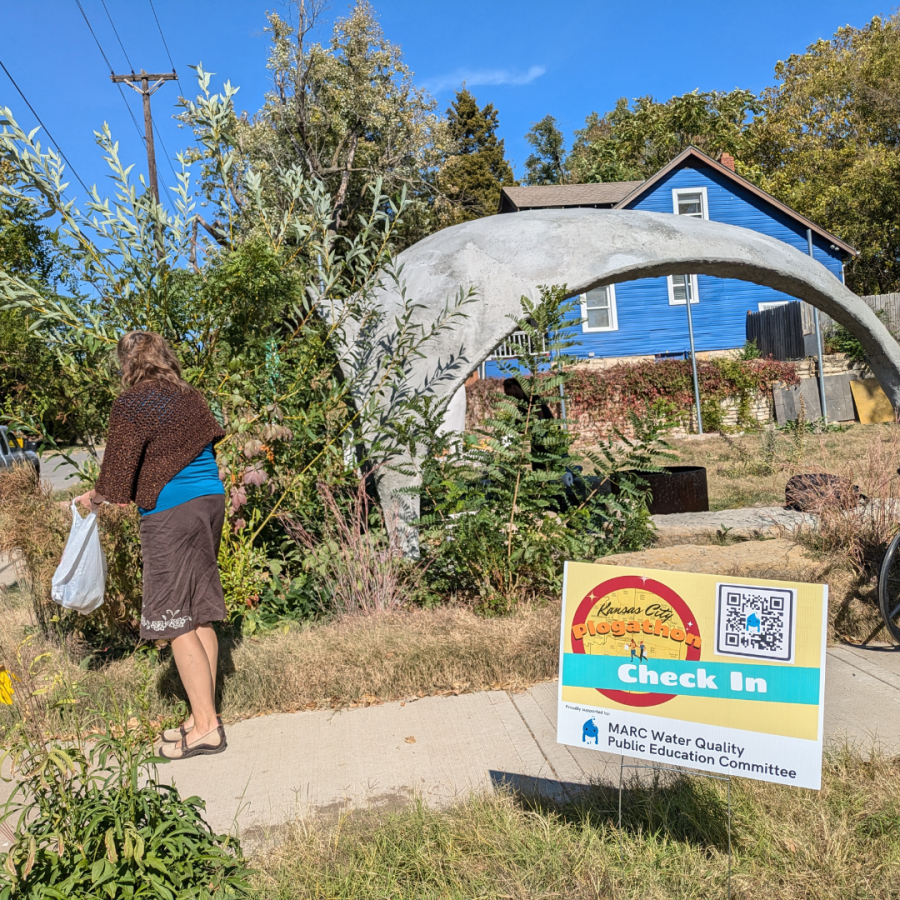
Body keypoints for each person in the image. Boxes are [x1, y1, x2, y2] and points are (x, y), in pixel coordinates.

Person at [77, 331, 228, 761]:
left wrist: (92, 499)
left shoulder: (133, 402)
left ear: (127, 364)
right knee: (199, 611)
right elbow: (206, 441)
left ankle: (205, 728)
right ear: (164, 357)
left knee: (175, 618)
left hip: (171, 511)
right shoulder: (189, 394)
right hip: (209, 500)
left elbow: (117, 474)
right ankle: (205, 715)